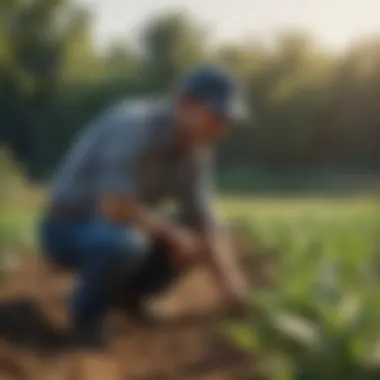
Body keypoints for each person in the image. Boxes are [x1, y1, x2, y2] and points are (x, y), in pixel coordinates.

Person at [40, 65, 248, 349]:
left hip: (120, 228)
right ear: (183, 103)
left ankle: (132, 298)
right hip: (67, 227)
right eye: (215, 116)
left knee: (201, 234)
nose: (221, 129)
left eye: (226, 121)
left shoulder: (197, 152)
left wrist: (232, 286)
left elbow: (205, 220)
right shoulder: (133, 125)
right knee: (125, 243)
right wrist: (175, 235)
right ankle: (86, 321)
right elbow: (113, 206)